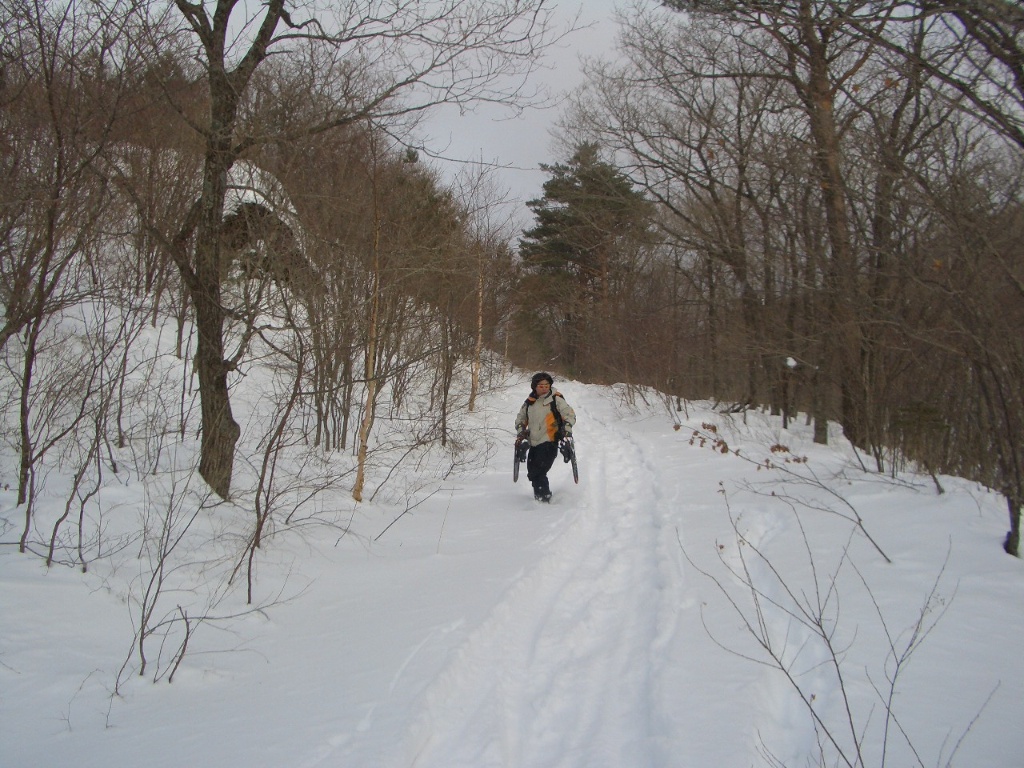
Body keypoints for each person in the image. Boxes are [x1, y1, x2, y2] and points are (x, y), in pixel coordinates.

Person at [514, 372, 576, 502]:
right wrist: (521, 433)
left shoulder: (556, 399)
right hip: (534, 443)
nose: (544, 388)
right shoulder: (529, 402)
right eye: (541, 385)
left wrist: (567, 431)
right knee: (532, 473)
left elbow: (570, 415)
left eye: (547, 385)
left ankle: (544, 499)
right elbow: (520, 419)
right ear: (534, 386)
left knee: (539, 472)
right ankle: (540, 497)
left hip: (550, 441)